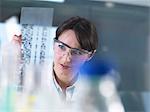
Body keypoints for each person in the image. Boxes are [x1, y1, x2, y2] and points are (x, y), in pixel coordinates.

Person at [13, 16, 99, 110]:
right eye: (62, 47)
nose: (67, 58)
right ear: (54, 44)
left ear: (90, 55)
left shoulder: (94, 92)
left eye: (77, 52)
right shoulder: (29, 78)